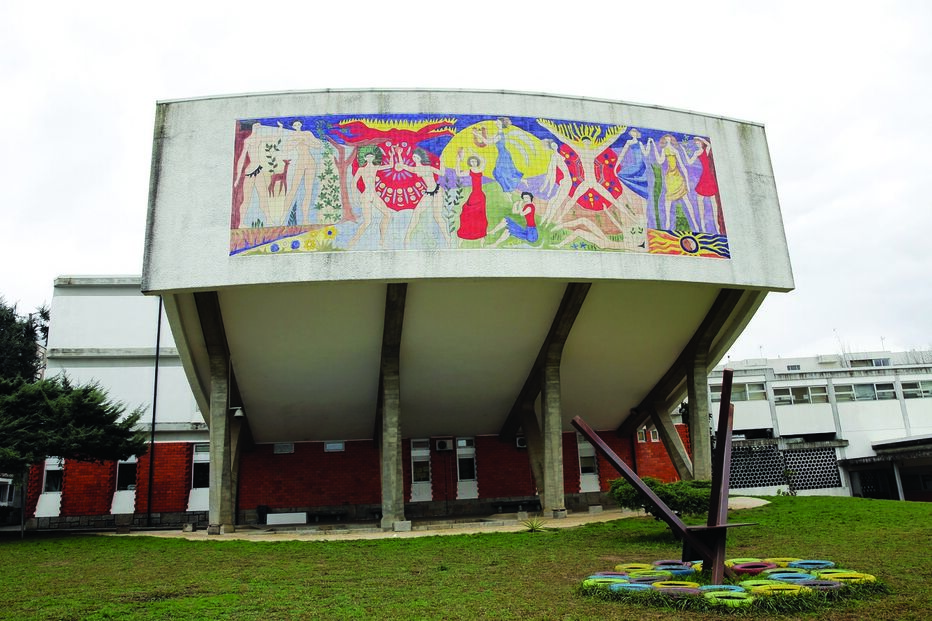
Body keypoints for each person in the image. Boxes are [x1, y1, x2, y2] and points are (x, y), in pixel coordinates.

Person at [400, 151, 449, 247]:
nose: (415, 158)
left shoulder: (427, 167)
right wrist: (399, 154)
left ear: (421, 159)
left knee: (437, 216)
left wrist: (441, 161)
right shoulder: (415, 169)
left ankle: (447, 237)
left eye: (417, 157)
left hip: (437, 191)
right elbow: (402, 166)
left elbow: (442, 173)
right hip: (429, 192)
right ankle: (407, 237)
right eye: (414, 157)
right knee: (416, 212)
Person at [348, 152, 391, 248]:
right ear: (365, 158)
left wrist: (392, 154)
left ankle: (382, 241)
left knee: (388, 215)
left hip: (374, 195)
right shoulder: (361, 169)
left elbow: (390, 165)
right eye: (368, 156)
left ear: (374, 157)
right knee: (367, 222)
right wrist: (354, 196)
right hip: (366, 195)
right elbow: (353, 183)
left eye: (372, 156)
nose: (370, 158)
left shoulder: (375, 168)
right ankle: (352, 241)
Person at [654, 135, 697, 231]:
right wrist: (654, 147)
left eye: (669, 139)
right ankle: (668, 223)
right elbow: (660, 161)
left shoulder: (675, 151)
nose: (668, 140)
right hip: (669, 177)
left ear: (671, 140)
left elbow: (682, 165)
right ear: (665, 140)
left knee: (686, 199)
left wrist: (687, 182)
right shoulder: (664, 150)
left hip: (678, 176)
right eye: (666, 139)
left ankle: (694, 223)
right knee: (668, 199)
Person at [683, 136, 722, 234]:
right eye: (696, 143)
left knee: (713, 203)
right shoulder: (697, 152)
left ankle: (716, 226)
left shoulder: (706, 150)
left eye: (698, 143)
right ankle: (702, 224)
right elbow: (689, 162)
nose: (697, 144)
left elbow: (709, 144)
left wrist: (699, 138)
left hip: (709, 177)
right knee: (700, 200)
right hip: (704, 176)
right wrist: (684, 151)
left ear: (701, 143)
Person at [455, 151, 488, 242]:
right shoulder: (470, 171)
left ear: (477, 162)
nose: (473, 163)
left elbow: (484, 161)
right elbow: (458, 173)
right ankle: (465, 233)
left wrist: (475, 153)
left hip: (479, 195)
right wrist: (458, 161)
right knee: (466, 213)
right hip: (474, 194)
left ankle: (481, 235)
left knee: (479, 216)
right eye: (472, 161)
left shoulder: (478, 169)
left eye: (475, 161)